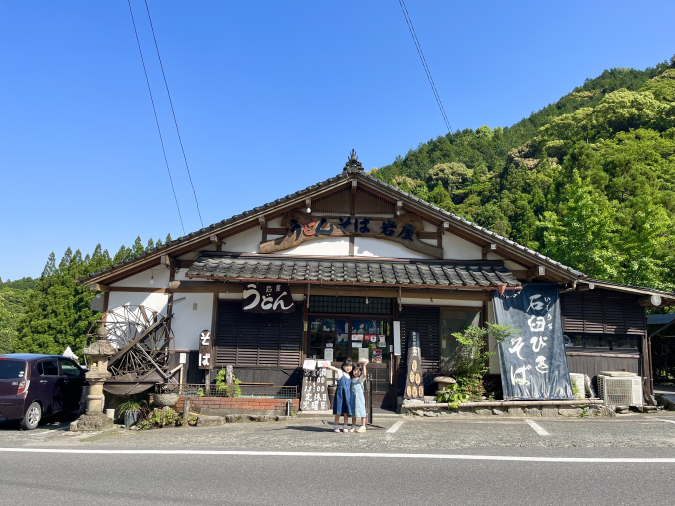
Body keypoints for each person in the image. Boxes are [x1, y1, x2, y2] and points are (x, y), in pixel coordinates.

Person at [323, 358, 353, 432]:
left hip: (347, 396)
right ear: (343, 366)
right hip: (340, 395)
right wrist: (328, 366)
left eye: (350, 366)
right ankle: (336, 426)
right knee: (338, 412)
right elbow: (335, 369)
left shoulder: (350, 376)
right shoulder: (341, 373)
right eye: (346, 366)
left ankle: (345, 426)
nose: (348, 368)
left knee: (346, 412)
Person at [350, 359, 368, 432]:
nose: (356, 372)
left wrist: (364, 366)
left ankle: (363, 426)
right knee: (353, 412)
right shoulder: (351, 379)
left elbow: (364, 375)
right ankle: (353, 426)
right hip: (352, 398)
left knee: (362, 411)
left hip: (359, 398)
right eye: (355, 370)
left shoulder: (360, 379)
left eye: (358, 371)